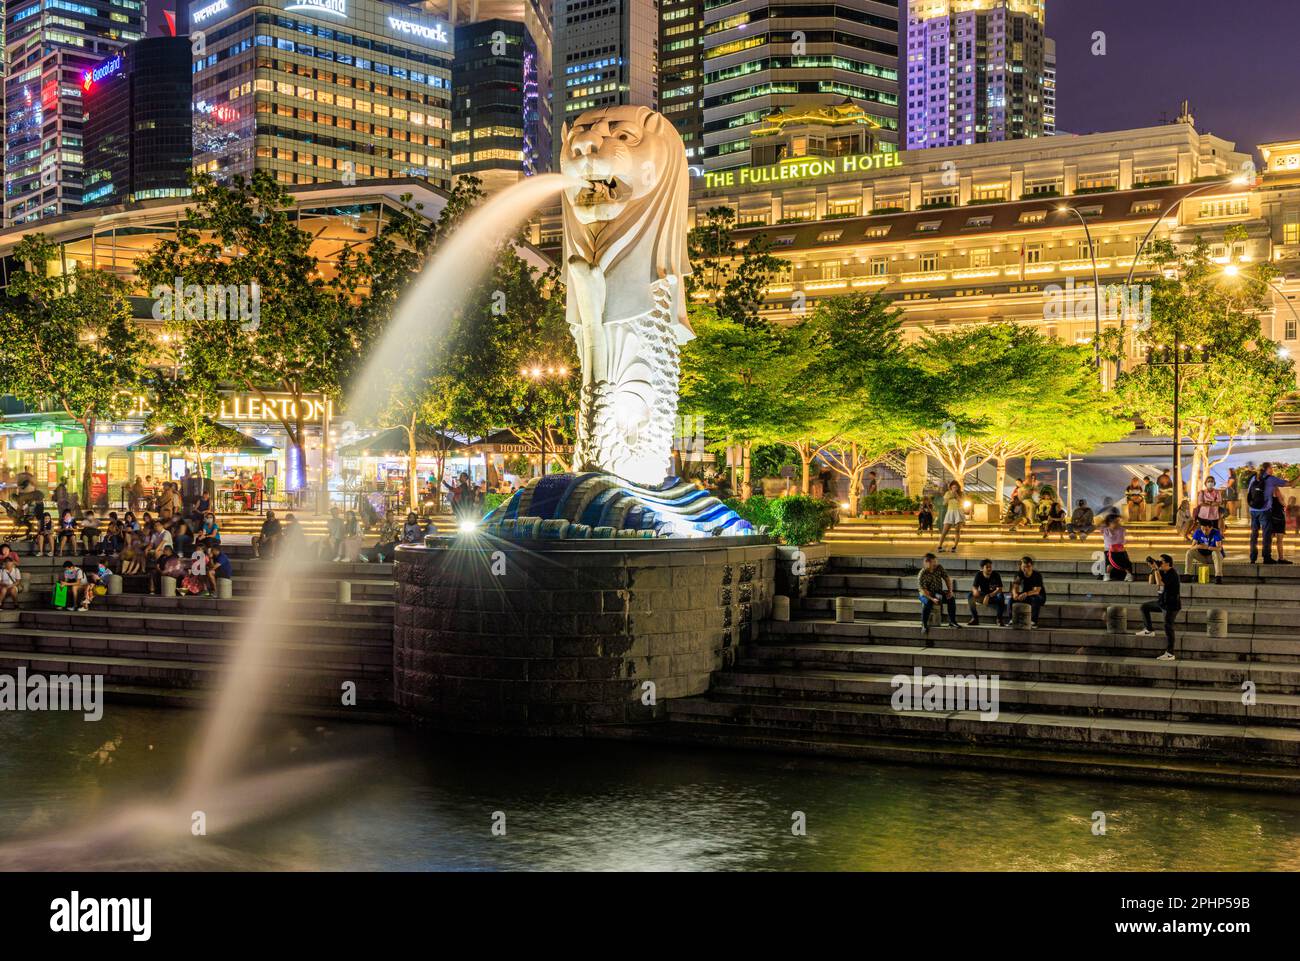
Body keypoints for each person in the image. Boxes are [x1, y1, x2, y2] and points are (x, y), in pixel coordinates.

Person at [1137, 554, 1182, 661]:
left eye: (1161, 561)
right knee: (1144, 607)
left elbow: (1160, 583)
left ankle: (1170, 653)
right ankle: (1149, 629)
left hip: (1171, 605)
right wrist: (1153, 569)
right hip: (1162, 603)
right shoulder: (1161, 571)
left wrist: (1157, 569)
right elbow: (1151, 582)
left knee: (1168, 627)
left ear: (1167, 562)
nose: (1159, 562)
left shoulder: (1173, 574)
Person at [1246, 462, 1287, 564]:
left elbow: (1249, 493)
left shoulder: (1254, 478)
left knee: (1254, 534)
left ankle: (1253, 557)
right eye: (1271, 468)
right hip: (1264, 511)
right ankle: (1266, 557)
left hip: (1253, 510)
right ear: (1268, 469)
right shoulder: (1271, 479)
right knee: (1266, 535)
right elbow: (1289, 483)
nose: (1272, 470)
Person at [916, 552, 959, 633]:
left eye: (936, 561)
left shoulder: (939, 568)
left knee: (951, 599)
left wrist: (950, 591)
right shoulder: (922, 574)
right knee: (928, 602)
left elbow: (947, 578)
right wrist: (932, 599)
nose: (935, 564)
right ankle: (924, 624)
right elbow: (923, 590)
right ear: (927, 562)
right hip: (924, 595)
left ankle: (952, 621)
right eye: (933, 562)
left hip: (937, 592)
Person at [967, 558, 1007, 627]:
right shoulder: (978, 575)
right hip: (983, 596)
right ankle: (975, 618)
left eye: (990, 567)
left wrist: (989, 596)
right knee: (970, 595)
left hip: (993, 596)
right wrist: (975, 591)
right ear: (982, 568)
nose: (989, 569)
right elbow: (974, 587)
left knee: (1001, 595)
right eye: (987, 567)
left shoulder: (996, 574)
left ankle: (999, 619)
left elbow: (999, 589)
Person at [1009, 555, 1047, 628]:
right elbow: (1015, 586)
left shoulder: (1037, 575)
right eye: (1024, 567)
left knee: (1035, 599)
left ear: (1031, 566)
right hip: (1026, 595)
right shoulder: (1019, 574)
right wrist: (1015, 594)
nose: (1026, 569)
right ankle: (1012, 619)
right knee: (1011, 599)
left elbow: (1037, 591)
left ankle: (1033, 621)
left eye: (1028, 566)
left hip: (1038, 596)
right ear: (1020, 566)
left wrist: (1026, 593)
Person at [1186, 519, 1225, 584]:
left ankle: (1218, 576)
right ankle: (1187, 575)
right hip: (1202, 556)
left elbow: (1219, 548)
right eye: (1202, 529)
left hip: (1213, 557)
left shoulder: (1216, 533)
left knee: (1216, 553)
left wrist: (1207, 547)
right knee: (1189, 552)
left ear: (1211, 528)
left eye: (1206, 530)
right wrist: (1198, 546)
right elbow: (1192, 547)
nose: (1204, 532)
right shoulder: (1198, 532)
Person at [1101, 514, 1134, 581]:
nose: (1116, 524)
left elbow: (1126, 520)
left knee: (1125, 562)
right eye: (1114, 522)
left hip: (1120, 550)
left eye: (1117, 522)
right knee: (1110, 562)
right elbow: (1097, 524)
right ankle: (1107, 575)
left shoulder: (1121, 529)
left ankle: (1129, 575)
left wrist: (1120, 517)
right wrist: (1105, 520)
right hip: (1109, 550)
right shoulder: (1105, 530)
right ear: (1109, 523)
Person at [936, 481, 966, 553]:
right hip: (950, 512)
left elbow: (961, 502)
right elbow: (944, 503)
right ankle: (939, 546)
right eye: (953, 487)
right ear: (951, 487)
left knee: (957, 530)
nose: (954, 488)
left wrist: (956, 495)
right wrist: (948, 498)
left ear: (958, 487)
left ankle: (954, 547)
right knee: (944, 530)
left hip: (958, 512)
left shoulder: (961, 493)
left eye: (956, 487)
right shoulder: (948, 493)